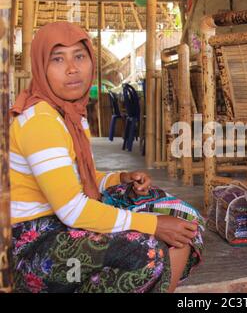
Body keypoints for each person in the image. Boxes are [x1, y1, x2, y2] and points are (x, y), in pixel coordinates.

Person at [9, 21, 203, 293]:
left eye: (79, 56)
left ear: (91, 61)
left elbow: (75, 178)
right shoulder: (40, 121)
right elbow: (72, 209)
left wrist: (119, 178)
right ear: (41, 67)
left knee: (181, 216)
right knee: (149, 253)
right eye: (57, 59)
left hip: (61, 224)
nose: (72, 68)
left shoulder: (70, 114)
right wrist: (154, 225)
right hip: (33, 247)